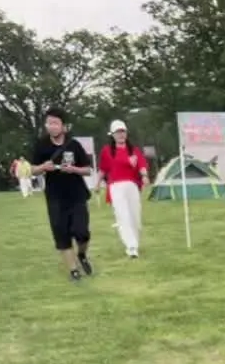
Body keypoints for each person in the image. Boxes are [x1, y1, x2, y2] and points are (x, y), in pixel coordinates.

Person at [31, 108, 94, 280]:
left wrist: (74, 169)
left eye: (55, 123)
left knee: (82, 233)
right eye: (49, 123)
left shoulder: (74, 145)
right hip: (55, 198)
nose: (51, 127)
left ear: (63, 126)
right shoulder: (41, 145)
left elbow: (88, 170)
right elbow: (32, 169)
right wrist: (43, 167)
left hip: (77, 196)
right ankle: (73, 270)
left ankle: (82, 254)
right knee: (62, 234)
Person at [97, 120, 149, 258]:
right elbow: (103, 169)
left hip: (132, 185)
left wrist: (144, 176)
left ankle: (135, 242)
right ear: (112, 135)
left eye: (123, 131)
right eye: (118, 132)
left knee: (135, 216)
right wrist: (97, 184)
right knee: (123, 216)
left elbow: (142, 165)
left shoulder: (134, 150)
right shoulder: (107, 151)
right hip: (116, 186)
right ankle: (131, 247)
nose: (121, 135)